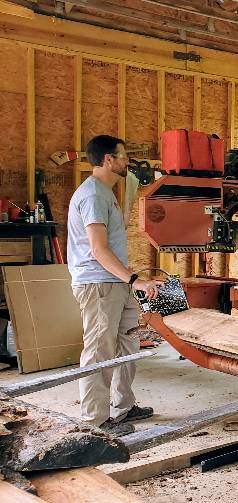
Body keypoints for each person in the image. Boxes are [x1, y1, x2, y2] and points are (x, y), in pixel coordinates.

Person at [68, 135, 163, 436]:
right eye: (123, 157)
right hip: (98, 285)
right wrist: (135, 280)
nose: (127, 162)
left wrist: (127, 277)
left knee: (128, 343)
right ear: (109, 159)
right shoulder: (94, 195)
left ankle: (124, 406)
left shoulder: (106, 193)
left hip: (114, 282)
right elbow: (98, 249)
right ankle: (95, 420)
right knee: (98, 351)